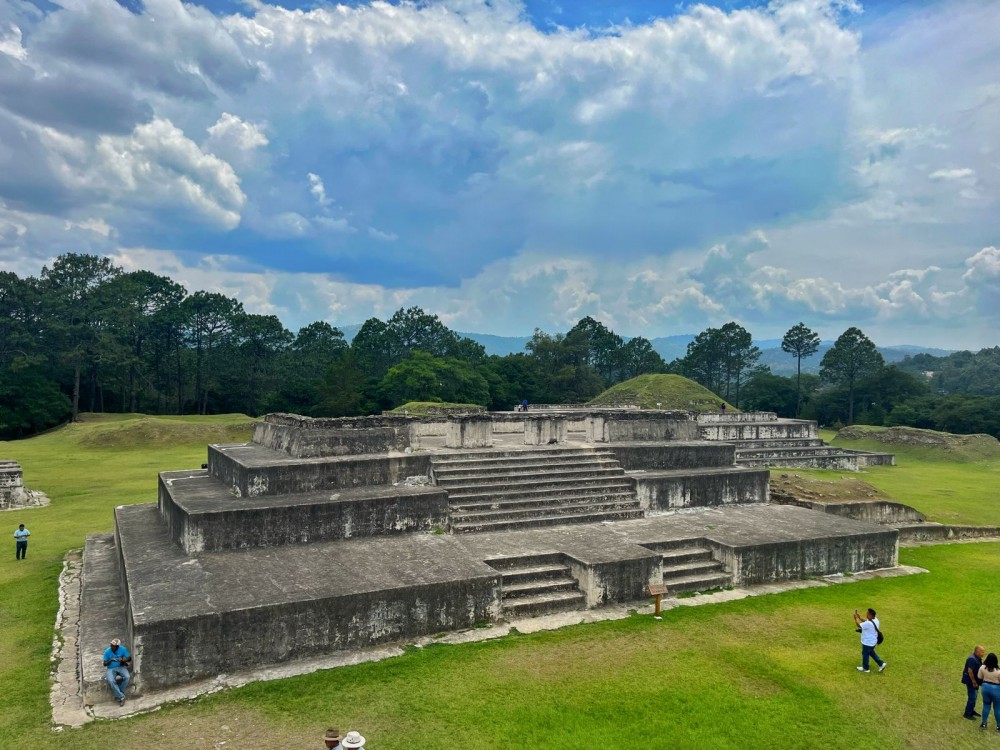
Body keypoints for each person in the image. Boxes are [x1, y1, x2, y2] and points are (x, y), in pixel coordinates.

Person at [853, 607, 886, 673]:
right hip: (873, 642)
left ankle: (866, 668)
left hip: (868, 642)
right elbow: (866, 621)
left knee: (865, 654)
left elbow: (859, 625)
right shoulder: (876, 620)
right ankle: (881, 664)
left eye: (867, 614)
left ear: (870, 615)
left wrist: (856, 618)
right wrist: (860, 618)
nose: (866, 614)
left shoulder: (869, 624)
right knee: (871, 652)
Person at [103, 638, 132, 706]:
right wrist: (111, 660)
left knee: (127, 676)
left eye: (114, 646)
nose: (112, 647)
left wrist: (123, 660)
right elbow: (104, 664)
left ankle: (118, 693)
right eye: (111, 645)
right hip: (110, 668)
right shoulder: (107, 651)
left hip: (120, 666)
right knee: (111, 681)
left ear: (118, 646)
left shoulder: (123, 649)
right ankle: (121, 696)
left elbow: (129, 658)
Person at [978, 652, 1000, 731]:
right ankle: (998, 726)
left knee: (986, 706)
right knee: (997, 708)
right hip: (996, 689)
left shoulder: (982, 668)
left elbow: (979, 677)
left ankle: (984, 724)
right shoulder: (998, 671)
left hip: (985, 688)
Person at [964, 645, 986, 719]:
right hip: (971, 682)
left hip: (975, 681)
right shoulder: (972, 659)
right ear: (977, 652)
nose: (983, 653)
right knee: (972, 697)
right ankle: (967, 713)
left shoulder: (977, 658)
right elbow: (970, 671)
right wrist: (974, 682)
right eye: (982, 652)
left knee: (974, 696)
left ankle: (971, 710)